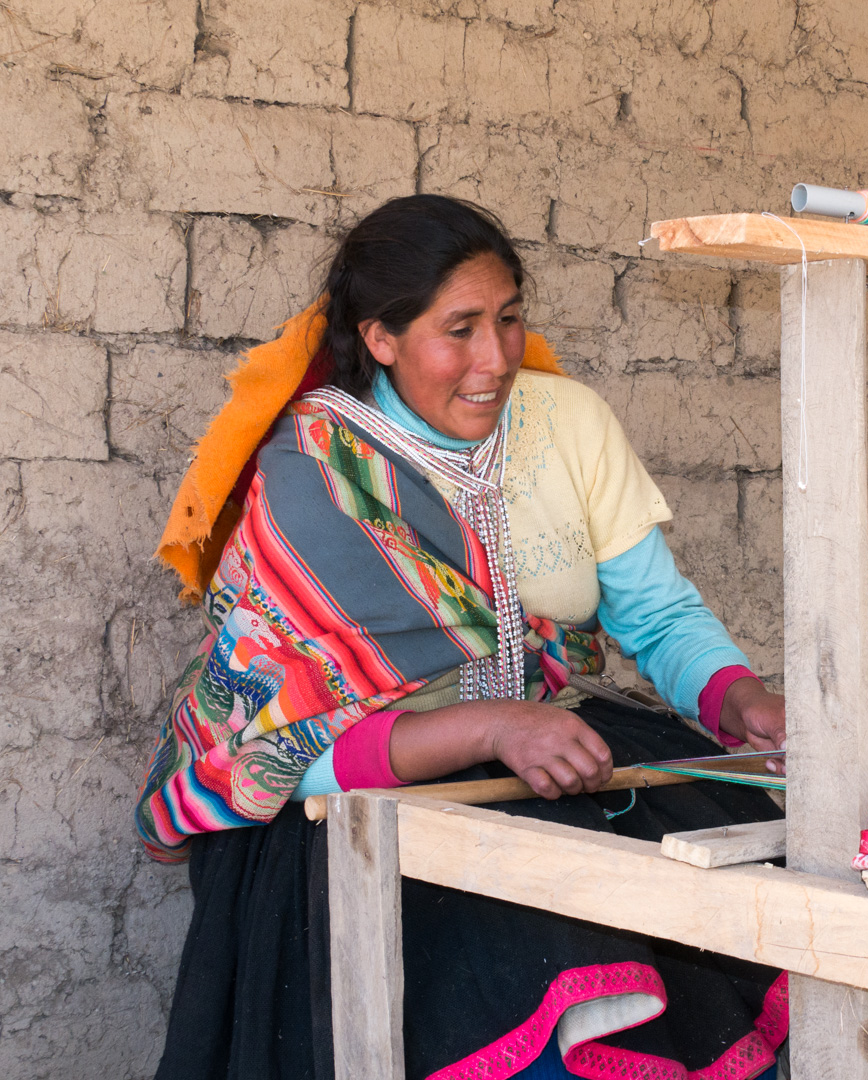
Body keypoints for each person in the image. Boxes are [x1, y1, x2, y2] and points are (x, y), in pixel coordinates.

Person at [137, 194, 790, 1080]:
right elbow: (288, 751)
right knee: (526, 969)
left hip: (556, 753)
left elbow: (657, 614)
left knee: (764, 899)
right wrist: (489, 729)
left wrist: (737, 696)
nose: (495, 359)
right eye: (461, 329)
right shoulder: (310, 471)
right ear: (379, 338)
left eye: (511, 319)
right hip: (355, 812)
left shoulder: (570, 423)